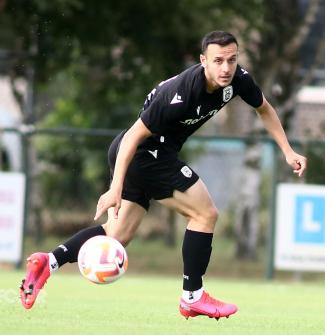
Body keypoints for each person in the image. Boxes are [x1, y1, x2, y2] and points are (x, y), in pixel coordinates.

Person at [20, 31, 307, 319]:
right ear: (203, 61)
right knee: (205, 214)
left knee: (116, 235)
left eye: (231, 60)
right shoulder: (180, 94)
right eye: (218, 60)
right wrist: (115, 188)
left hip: (148, 155)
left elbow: (264, 109)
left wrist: (288, 151)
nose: (225, 68)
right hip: (144, 154)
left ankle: (48, 262)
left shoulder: (239, 80)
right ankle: (192, 296)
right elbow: (133, 136)